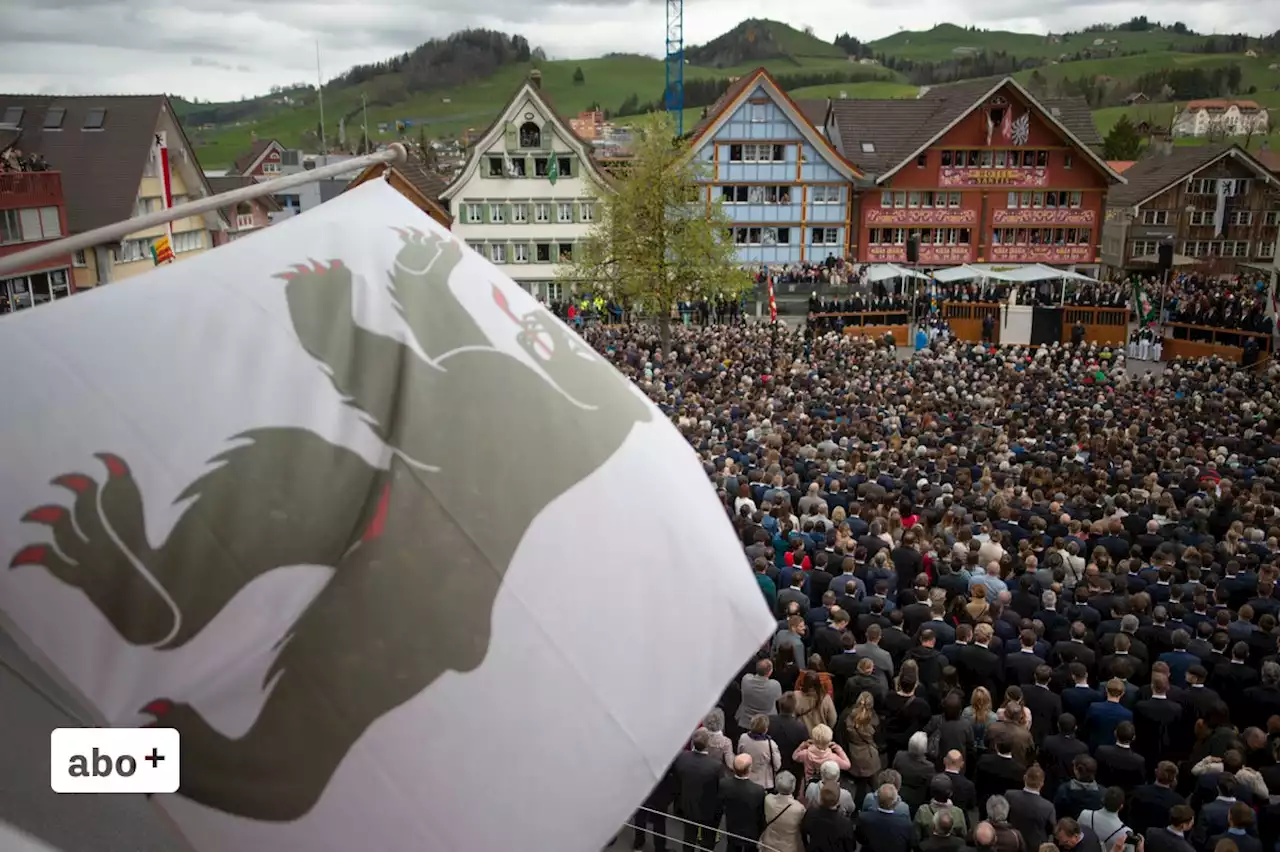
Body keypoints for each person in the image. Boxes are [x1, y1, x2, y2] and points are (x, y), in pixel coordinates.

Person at [674, 729, 725, 851]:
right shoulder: (716, 766)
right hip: (708, 809)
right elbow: (720, 788)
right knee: (707, 840)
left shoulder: (682, 757)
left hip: (688, 804)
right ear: (707, 744)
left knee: (689, 837)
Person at [719, 753, 766, 852]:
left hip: (732, 827)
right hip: (751, 831)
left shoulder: (724, 784)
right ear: (749, 769)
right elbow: (760, 814)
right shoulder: (758, 790)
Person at [1006, 765, 1058, 851]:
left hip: (1013, 843)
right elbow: (1051, 829)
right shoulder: (1048, 806)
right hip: (1036, 847)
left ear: (1024, 778)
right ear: (1042, 783)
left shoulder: (1009, 796)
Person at [859, 783, 916, 852]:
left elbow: (860, 838)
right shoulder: (906, 825)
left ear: (877, 800)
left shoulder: (864, 818)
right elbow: (910, 845)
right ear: (896, 803)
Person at [802, 782, 857, 852]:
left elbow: (804, 833)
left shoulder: (810, 813)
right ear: (838, 800)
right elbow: (850, 846)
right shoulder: (845, 823)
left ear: (821, 798)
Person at [761, 771, 806, 852]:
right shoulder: (799, 808)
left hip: (769, 844)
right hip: (790, 847)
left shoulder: (768, 799)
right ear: (793, 787)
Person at [737, 714, 782, 790]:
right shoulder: (771, 744)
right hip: (764, 783)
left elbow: (739, 755)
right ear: (765, 729)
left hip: (746, 778)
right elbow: (777, 766)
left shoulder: (743, 738)